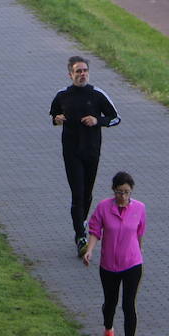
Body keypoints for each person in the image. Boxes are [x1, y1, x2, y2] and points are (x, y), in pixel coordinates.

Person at [49, 56, 121, 258]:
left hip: (91, 151)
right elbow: (53, 115)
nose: (82, 74)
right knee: (77, 193)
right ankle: (80, 235)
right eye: (78, 71)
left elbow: (116, 118)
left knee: (87, 193)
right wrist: (57, 119)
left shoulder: (97, 95)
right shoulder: (62, 95)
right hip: (71, 152)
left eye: (84, 71)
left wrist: (97, 120)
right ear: (70, 74)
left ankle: (81, 222)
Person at [82, 172, 146, 336]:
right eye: (119, 192)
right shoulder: (103, 208)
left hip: (132, 264)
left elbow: (139, 233)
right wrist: (89, 251)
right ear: (113, 191)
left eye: (127, 192)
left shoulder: (139, 209)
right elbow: (95, 231)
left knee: (128, 305)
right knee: (110, 302)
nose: (123, 197)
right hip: (109, 264)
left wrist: (139, 253)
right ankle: (108, 329)